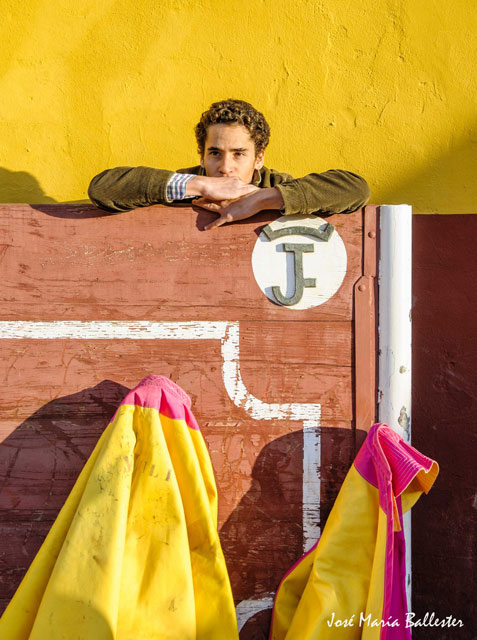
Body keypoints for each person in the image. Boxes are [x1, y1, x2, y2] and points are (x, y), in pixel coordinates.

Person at [88, 99, 370, 230]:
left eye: (239, 154)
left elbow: (356, 189)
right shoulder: (185, 184)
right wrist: (198, 184)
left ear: (259, 157)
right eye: (215, 154)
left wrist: (261, 200)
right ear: (201, 155)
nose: (225, 167)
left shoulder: (276, 184)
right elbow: (102, 189)